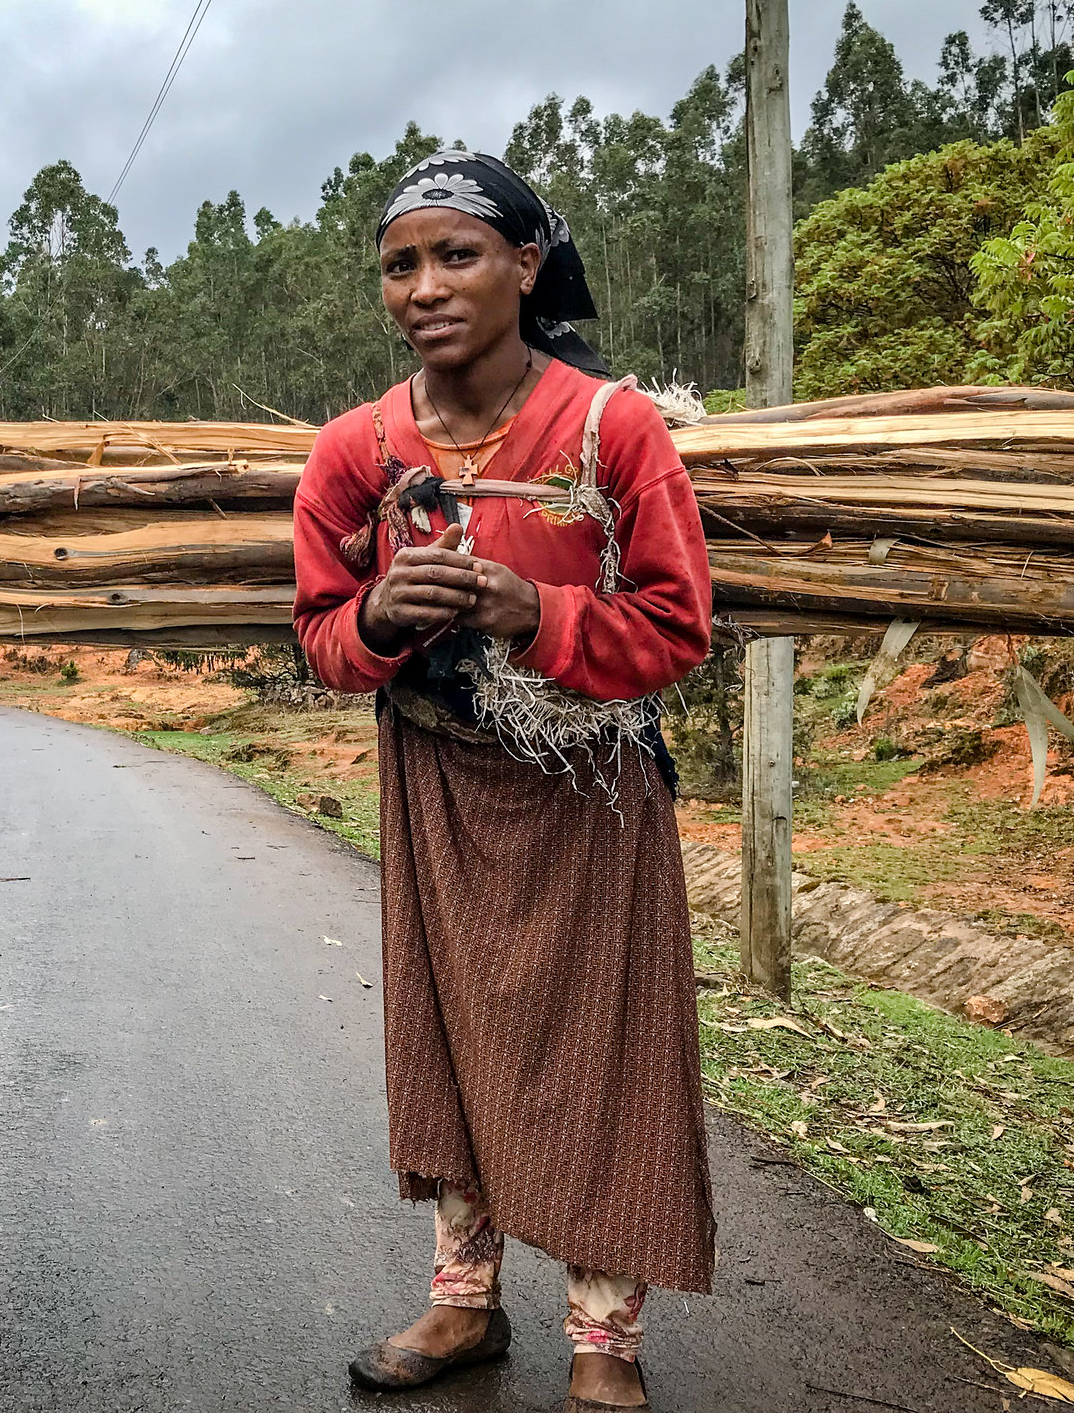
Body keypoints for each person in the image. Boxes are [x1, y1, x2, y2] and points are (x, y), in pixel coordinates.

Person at [291, 150, 715, 1410]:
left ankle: (603, 1340)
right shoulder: (357, 450)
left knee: (603, 1057)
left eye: (455, 255)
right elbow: (320, 642)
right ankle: (462, 1301)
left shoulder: (608, 428)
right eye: (398, 265)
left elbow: (677, 626)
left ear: (525, 266)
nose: (423, 286)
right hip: (435, 780)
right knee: (449, 1039)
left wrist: (537, 610)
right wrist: (377, 616)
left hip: (588, 788)